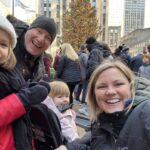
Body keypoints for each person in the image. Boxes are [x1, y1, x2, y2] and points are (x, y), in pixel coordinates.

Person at [55, 59, 150, 150]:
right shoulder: (100, 120)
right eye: (102, 86)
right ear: (94, 94)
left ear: (131, 87)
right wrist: (69, 148)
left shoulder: (146, 111)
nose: (110, 92)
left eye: (118, 84)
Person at [0, 13, 50, 150]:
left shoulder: (10, 70)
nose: (41, 39)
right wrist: (22, 99)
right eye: (39, 31)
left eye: (3, 45)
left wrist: (29, 88)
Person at [7, 14, 57, 82]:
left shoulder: (41, 66)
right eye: (39, 31)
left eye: (47, 38)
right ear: (29, 28)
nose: (41, 39)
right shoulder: (5, 43)